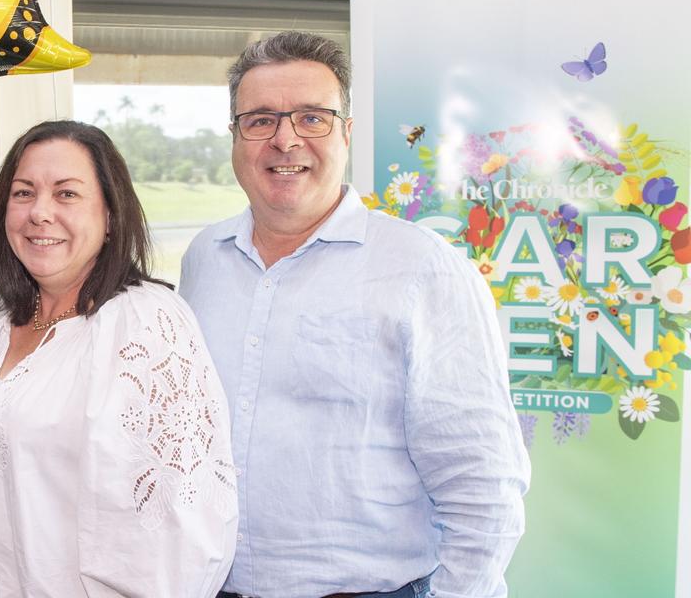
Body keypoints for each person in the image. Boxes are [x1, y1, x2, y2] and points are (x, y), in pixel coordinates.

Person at [180, 32, 531, 598]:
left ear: (346, 131)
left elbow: (482, 483)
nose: (285, 139)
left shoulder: (421, 269)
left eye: (312, 118)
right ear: (235, 137)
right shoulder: (204, 258)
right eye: (261, 119)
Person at [0, 121, 238, 597]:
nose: (39, 213)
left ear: (111, 215)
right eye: (23, 192)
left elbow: (185, 517)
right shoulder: (1, 318)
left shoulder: (144, 323)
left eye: (67, 194)